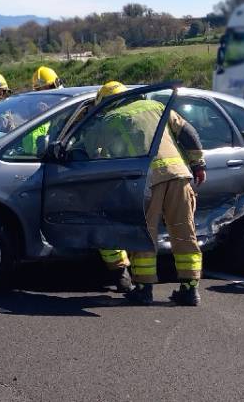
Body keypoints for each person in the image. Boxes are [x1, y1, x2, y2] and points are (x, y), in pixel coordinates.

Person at [85, 81, 207, 306]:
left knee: (144, 235)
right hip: (178, 175)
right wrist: (198, 164)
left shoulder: (109, 119)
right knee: (184, 232)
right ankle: (190, 290)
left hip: (145, 181)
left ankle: (143, 288)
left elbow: (92, 153)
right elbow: (188, 132)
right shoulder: (156, 106)